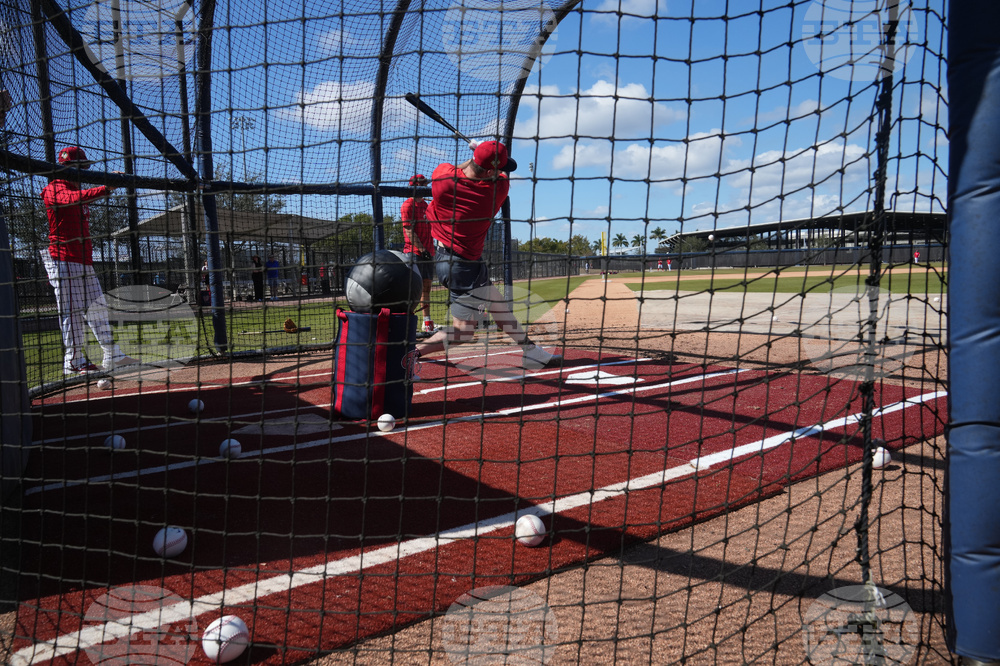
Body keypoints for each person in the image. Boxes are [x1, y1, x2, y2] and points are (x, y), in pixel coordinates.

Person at [418, 140, 560, 369]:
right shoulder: (497, 190)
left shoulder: (444, 181)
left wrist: (475, 156)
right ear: (491, 171)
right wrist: (478, 152)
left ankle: (531, 351)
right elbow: (499, 174)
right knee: (463, 332)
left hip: (453, 260)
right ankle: (410, 354)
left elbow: (459, 168)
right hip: (462, 267)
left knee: (500, 308)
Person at [40, 146, 139, 376]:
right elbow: (73, 199)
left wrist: (109, 185)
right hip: (62, 260)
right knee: (72, 311)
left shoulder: (75, 189)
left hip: (83, 261)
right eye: (81, 168)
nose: (84, 173)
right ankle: (73, 360)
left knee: (97, 309)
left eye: (85, 168)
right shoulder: (55, 188)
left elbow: (81, 197)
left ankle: (113, 354)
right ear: (67, 169)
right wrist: (106, 187)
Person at [401, 173, 437, 337]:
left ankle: (427, 323)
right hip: (414, 253)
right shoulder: (408, 205)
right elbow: (409, 230)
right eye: (422, 185)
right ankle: (407, 324)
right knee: (412, 290)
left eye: (425, 185)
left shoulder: (428, 205)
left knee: (426, 288)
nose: (425, 187)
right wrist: (422, 250)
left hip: (429, 252)